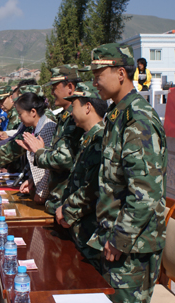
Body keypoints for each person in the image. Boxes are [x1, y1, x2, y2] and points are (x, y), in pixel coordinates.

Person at [85, 43, 168, 303]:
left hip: (131, 246)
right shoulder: (117, 114)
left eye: (99, 74)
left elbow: (145, 193)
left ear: (121, 73)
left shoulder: (137, 119)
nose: (94, 81)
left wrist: (119, 239)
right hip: (115, 239)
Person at [52, 82, 107, 270]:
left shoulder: (100, 140)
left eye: (74, 106)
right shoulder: (88, 138)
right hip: (78, 228)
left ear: (88, 107)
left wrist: (67, 209)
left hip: (90, 232)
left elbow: (93, 188)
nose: (70, 112)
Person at [15, 65, 84, 215]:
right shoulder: (64, 118)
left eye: (55, 87)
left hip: (65, 204)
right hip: (57, 200)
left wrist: (39, 152)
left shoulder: (75, 120)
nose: (52, 93)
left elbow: (65, 160)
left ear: (70, 87)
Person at [13, 92, 56, 204]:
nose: (19, 118)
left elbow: (48, 168)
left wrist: (42, 193)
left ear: (33, 112)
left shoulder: (48, 128)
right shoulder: (36, 129)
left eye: (20, 113)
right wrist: (32, 180)